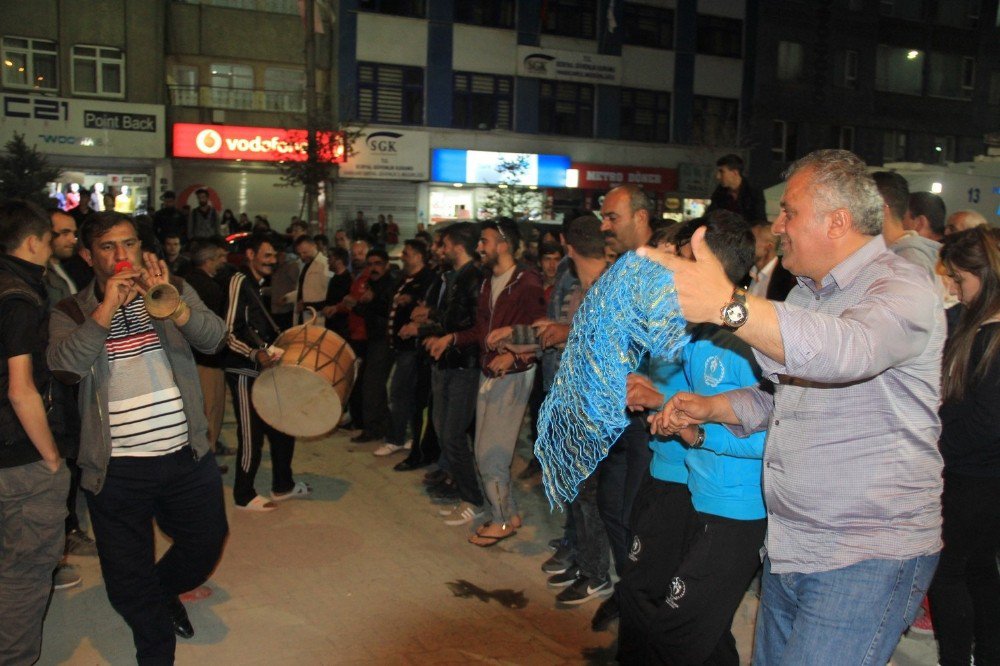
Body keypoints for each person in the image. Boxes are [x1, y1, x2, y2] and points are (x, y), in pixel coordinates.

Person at [640, 149, 944, 663]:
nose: (777, 225)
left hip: (865, 550)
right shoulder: (806, 296)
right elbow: (783, 400)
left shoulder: (903, 285)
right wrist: (713, 408)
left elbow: (847, 351)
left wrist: (726, 305)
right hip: (792, 541)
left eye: (790, 212)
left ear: (838, 222)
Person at [47, 210, 228, 663]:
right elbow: (65, 367)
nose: (121, 255)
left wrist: (170, 303)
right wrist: (106, 307)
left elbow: (214, 340)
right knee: (128, 583)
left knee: (205, 543)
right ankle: (154, 643)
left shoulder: (173, 289)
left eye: (128, 244)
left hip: (186, 456)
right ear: (89, 256)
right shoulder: (69, 310)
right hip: (117, 469)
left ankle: (159, 591)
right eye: (108, 247)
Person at [621, 211, 766, 664]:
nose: (674, 277)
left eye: (683, 264)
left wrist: (697, 432)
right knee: (676, 622)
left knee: (673, 628)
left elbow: (775, 433)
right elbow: (693, 402)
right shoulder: (699, 334)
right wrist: (667, 406)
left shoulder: (752, 341)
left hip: (736, 511)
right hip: (699, 496)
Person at [434, 219, 546, 546]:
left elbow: (544, 333)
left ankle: (500, 520)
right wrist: (452, 338)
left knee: (490, 455)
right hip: (488, 373)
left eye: (484, 241)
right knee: (488, 452)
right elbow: (482, 333)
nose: (479, 247)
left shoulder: (527, 282)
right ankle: (506, 513)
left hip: (513, 376)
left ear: (503, 243)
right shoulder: (488, 283)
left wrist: (514, 357)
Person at [0, 200, 72, 665]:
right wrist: (51, 459)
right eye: (50, 238)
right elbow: (21, 390)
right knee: (24, 577)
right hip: (20, 458)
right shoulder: (20, 298)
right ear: (32, 242)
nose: (53, 247)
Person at [926, 226, 1000, 666]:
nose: (952, 287)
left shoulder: (992, 334)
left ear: (987, 274)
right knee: (977, 570)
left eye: (959, 279)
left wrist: (934, 445)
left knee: (949, 574)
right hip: (970, 471)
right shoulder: (971, 319)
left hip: (975, 476)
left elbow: (987, 423)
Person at [224, 234, 310, 511]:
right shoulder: (239, 280)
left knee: (283, 425)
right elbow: (228, 331)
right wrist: (254, 353)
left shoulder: (257, 284)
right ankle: (244, 493)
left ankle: (282, 485)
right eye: (267, 255)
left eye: (275, 256)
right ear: (250, 254)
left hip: (264, 367)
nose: (272, 261)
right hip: (243, 369)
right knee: (251, 433)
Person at [418, 223, 482, 516]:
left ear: (456, 245)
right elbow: (449, 318)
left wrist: (447, 338)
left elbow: (473, 326)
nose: (439, 250)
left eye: (443, 244)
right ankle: (457, 483)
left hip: (463, 366)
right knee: (444, 431)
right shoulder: (455, 277)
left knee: (453, 434)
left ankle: (473, 498)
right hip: (446, 361)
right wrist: (434, 331)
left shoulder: (475, 277)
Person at [378, 239, 434, 457]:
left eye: (407, 253)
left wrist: (413, 306)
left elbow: (427, 309)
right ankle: (403, 435)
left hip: (412, 347)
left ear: (419, 256)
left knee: (400, 393)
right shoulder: (404, 278)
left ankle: (397, 438)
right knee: (403, 393)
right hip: (399, 346)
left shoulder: (427, 279)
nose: (402, 257)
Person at [183, 238, 231, 461]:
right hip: (208, 359)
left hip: (188, 357)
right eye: (219, 258)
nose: (223, 262)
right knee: (209, 411)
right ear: (208, 261)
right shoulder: (210, 288)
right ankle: (207, 459)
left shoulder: (184, 281)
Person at [349, 248, 397, 443]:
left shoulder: (388, 285)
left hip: (384, 340)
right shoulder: (373, 284)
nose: (373, 268)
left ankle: (375, 428)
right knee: (374, 385)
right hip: (373, 338)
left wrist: (363, 304)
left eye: (377, 264)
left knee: (372, 384)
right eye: (370, 264)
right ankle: (380, 425)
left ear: (386, 265)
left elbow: (385, 313)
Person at [706, 154, 766, 225]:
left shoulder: (753, 192)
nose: (718, 176)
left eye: (722, 171)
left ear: (735, 172)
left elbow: (759, 220)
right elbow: (709, 216)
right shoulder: (719, 193)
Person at [748, 221, 795, 301]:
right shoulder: (744, 273)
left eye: (751, 241)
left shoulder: (787, 278)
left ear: (768, 247)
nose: (745, 244)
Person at [292, 235, 329, 326]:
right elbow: (303, 289)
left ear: (314, 246)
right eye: (299, 254)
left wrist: (307, 306)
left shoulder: (325, 265)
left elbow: (329, 294)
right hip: (303, 316)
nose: (302, 256)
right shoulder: (303, 265)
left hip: (317, 317)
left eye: (305, 252)